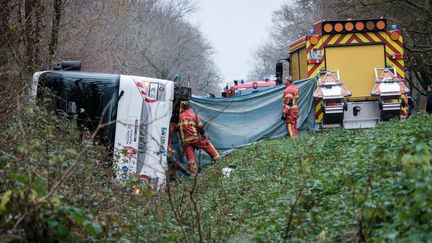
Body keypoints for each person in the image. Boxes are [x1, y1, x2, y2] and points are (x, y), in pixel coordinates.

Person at [178, 101, 220, 176]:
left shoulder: (180, 116)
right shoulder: (193, 115)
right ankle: (218, 162)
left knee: (191, 159)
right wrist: (203, 135)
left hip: (185, 141)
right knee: (209, 146)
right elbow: (200, 126)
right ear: (190, 108)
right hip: (195, 138)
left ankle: (193, 174)